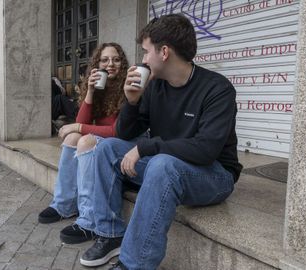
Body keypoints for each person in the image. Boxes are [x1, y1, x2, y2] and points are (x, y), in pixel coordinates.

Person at [80, 14, 243, 269]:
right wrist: (131, 102)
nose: (143, 59)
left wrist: (146, 147)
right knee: (106, 148)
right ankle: (111, 234)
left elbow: (206, 150)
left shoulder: (217, 89)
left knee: (162, 165)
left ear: (164, 52)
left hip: (214, 175)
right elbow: (123, 134)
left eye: (146, 52)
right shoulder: (155, 86)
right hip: (166, 165)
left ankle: (135, 264)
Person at [37, 43, 129, 244]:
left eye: (116, 59)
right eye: (105, 60)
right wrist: (90, 92)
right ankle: (64, 204)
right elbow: (83, 120)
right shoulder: (98, 87)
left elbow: (116, 131)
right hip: (105, 140)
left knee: (85, 140)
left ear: (122, 63)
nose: (111, 64)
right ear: (97, 64)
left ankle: (89, 218)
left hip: (123, 145)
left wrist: (78, 128)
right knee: (72, 139)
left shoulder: (127, 87)